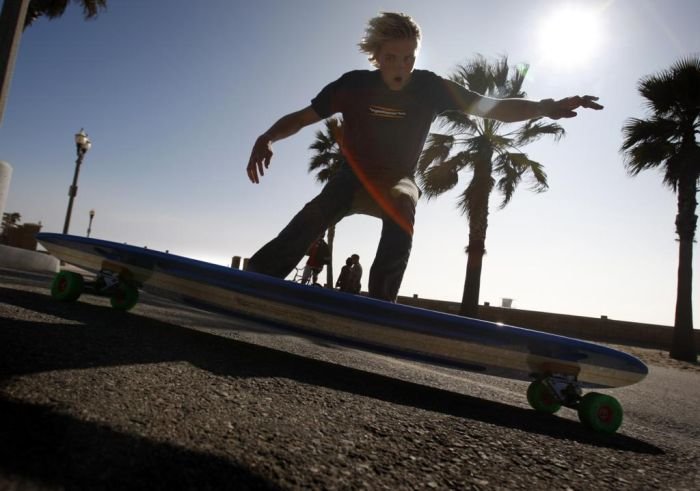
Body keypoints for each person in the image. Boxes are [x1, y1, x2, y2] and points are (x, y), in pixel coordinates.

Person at [246, 11, 603, 302]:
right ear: (376, 56)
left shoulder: (430, 87)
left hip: (398, 177)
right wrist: (268, 137)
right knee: (316, 213)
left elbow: (492, 108)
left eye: (408, 58)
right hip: (352, 178)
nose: (400, 67)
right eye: (391, 58)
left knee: (403, 202)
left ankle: (381, 303)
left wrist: (546, 106)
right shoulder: (352, 85)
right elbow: (303, 117)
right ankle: (256, 279)